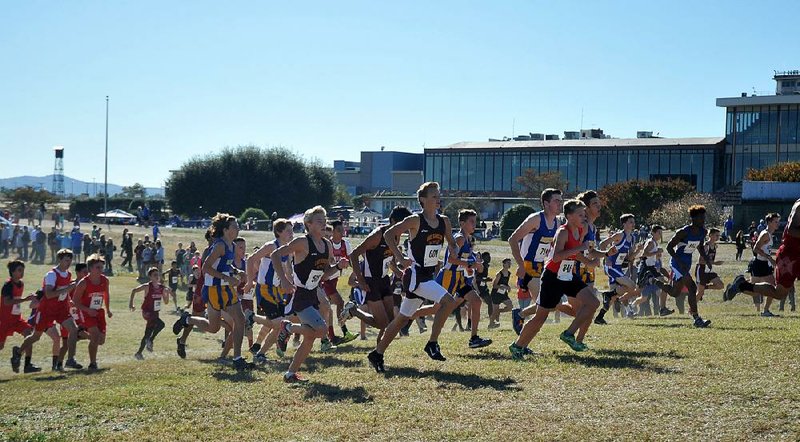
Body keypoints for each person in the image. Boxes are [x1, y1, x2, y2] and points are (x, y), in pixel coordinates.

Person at [366, 182, 461, 373]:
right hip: (415, 275)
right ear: (423, 200)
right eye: (433, 196)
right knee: (448, 302)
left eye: (438, 195)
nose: (438, 199)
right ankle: (432, 343)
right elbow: (389, 235)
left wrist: (454, 249)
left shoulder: (444, 222)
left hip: (427, 275)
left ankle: (377, 353)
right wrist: (400, 258)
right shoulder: (415, 221)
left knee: (401, 319)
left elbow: (451, 242)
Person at [509, 199, 612, 359]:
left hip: (568, 275)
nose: (584, 217)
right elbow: (556, 257)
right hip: (552, 277)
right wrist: (580, 248)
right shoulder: (563, 232)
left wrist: (604, 254)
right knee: (541, 316)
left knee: (593, 303)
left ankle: (569, 334)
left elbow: (585, 252)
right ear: (569, 216)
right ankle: (517, 346)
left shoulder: (582, 229)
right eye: (580, 214)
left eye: (584, 214)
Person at [273, 206, 350, 383]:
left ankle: (290, 374)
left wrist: (338, 267)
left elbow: (324, 273)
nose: (324, 223)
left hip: (314, 293)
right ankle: (287, 328)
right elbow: (276, 255)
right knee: (321, 330)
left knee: (309, 339)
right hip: (301, 294)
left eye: (325, 219)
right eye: (319, 221)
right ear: (308, 224)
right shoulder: (302, 242)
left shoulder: (327, 245)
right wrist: (284, 279)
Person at [172, 214, 249, 369]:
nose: (238, 228)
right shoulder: (219, 245)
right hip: (214, 290)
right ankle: (188, 319)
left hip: (225, 289)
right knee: (215, 328)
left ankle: (237, 358)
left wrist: (237, 272)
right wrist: (228, 278)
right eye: (235, 226)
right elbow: (206, 268)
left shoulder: (232, 246)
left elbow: (226, 266)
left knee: (238, 320)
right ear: (226, 230)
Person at [340, 206, 413, 345]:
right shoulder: (377, 235)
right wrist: (360, 280)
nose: (404, 229)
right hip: (371, 281)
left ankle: (379, 345)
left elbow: (389, 259)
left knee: (391, 321)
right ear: (392, 221)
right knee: (382, 323)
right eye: (401, 224)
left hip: (384, 280)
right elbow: (354, 254)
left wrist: (398, 271)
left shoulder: (395, 237)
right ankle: (354, 311)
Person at [432, 209, 492, 348]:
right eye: (471, 221)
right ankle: (407, 317)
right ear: (462, 223)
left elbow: (462, 260)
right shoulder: (459, 238)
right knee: (435, 309)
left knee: (476, 301)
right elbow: (451, 260)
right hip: (448, 276)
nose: (474, 224)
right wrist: (471, 264)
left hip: (460, 278)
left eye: (475, 221)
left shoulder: (468, 239)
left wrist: (472, 266)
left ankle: (474, 338)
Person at [509, 189, 563, 332]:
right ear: (546, 203)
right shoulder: (535, 219)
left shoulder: (557, 223)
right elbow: (513, 239)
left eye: (561, 200)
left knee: (552, 304)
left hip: (542, 266)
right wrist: (520, 265)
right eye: (556, 201)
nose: (560, 203)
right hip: (528, 267)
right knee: (546, 303)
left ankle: (520, 314)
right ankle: (521, 338)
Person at [18, 249, 82, 369]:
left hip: (61, 309)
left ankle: (70, 359)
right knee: (35, 337)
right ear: (59, 260)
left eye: (70, 260)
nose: (68, 263)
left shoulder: (68, 274)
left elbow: (64, 292)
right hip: (46, 310)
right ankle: (18, 353)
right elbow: (48, 294)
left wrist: (69, 300)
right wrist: (68, 288)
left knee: (74, 329)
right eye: (66, 260)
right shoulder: (51, 275)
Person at [244, 218, 294, 364]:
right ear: (279, 232)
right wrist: (249, 280)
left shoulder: (287, 249)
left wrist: (290, 283)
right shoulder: (271, 246)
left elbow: (286, 270)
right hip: (264, 290)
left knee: (279, 324)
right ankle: (251, 317)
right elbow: (251, 259)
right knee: (279, 324)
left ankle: (259, 352)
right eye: (288, 231)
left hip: (278, 291)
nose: (292, 234)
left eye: (292, 231)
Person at [660, 205, 713, 328]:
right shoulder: (683, 232)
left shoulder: (703, 231)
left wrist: (706, 259)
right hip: (677, 264)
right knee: (692, 288)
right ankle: (696, 318)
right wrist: (679, 262)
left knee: (675, 292)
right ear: (693, 218)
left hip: (687, 263)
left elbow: (699, 246)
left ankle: (652, 280)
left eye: (704, 217)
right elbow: (669, 247)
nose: (704, 220)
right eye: (701, 218)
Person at [594, 214, 642, 323]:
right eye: (630, 222)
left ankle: (599, 317)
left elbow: (629, 258)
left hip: (619, 267)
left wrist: (638, 250)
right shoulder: (620, 235)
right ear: (624, 224)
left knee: (613, 297)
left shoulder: (633, 238)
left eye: (633, 222)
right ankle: (611, 295)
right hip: (611, 267)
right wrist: (607, 257)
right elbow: (602, 244)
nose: (633, 224)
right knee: (631, 285)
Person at [319, 220, 357, 344]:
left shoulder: (346, 244)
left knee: (327, 309)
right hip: (325, 281)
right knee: (337, 303)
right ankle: (339, 333)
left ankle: (331, 336)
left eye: (343, 229)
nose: (343, 232)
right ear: (332, 231)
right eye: (339, 230)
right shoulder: (327, 244)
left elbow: (352, 261)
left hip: (334, 280)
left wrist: (357, 273)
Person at [72, 254, 113, 370]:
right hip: (85, 312)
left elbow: (106, 295)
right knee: (95, 336)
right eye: (98, 267)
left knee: (101, 340)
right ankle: (93, 363)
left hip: (98, 311)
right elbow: (74, 301)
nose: (101, 270)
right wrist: (88, 310)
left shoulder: (105, 280)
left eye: (102, 267)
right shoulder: (83, 283)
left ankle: (80, 334)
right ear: (90, 268)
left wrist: (108, 309)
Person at [3, 261, 40, 373]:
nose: (22, 272)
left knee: (29, 334)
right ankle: (17, 356)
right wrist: (25, 299)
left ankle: (27, 365)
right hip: (4, 320)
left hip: (16, 319)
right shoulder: (8, 285)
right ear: (12, 272)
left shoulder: (21, 283)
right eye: (19, 270)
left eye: (23, 270)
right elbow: (7, 302)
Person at [130, 267, 171, 360]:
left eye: (158, 274)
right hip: (147, 312)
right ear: (150, 277)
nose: (157, 277)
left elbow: (166, 302)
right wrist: (131, 304)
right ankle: (150, 341)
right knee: (161, 324)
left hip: (155, 313)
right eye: (154, 275)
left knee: (148, 333)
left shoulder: (162, 288)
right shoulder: (147, 286)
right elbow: (134, 291)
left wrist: (167, 294)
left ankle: (139, 353)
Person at [695, 228, 725, 303]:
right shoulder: (706, 246)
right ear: (710, 235)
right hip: (701, 270)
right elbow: (700, 261)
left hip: (708, 270)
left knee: (720, 285)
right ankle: (692, 309)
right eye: (716, 235)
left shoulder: (715, 246)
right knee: (700, 293)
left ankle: (704, 287)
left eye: (719, 235)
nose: (718, 237)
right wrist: (714, 263)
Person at [489, 258, 513, 328]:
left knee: (510, 306)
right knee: (494, 311)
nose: (509, 264)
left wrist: (508, 287)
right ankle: (491, 324)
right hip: (496, 294)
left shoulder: (509, 273)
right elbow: (494, 285)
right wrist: (501, 286)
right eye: (508, 263)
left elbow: (506, 283)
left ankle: (499, 311)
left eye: (510, 263)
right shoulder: (499, 274)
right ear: (504, 264)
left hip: (503, 294)